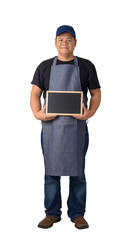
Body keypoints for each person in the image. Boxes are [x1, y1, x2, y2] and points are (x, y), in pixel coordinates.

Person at [30, 25, 101, 229]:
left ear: (75, 43)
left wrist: (89, 113)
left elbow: (96, 93)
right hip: (50, 128)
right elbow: (35, 94)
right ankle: (52, 213)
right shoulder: (44, 67)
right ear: (55, 42)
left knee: (77, 172)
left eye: (69, 39)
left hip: (77, 128)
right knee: (50, 173)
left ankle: (77, 214)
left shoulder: (86, 66)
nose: (64, 43)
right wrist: (37, 113)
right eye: (60, 39)